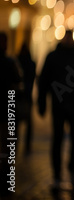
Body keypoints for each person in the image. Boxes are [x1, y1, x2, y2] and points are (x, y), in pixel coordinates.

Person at [38, 31, 74, 188]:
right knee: (58, 139)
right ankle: (57, 173)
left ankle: (71, 169)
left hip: (73, 104)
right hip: (59, 104)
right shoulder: (54, 57)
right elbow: (44, 80)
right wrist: (42, 102)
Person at [0, 32, 21, 197]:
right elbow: (18, 82)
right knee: (7, 148)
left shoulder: (10, 62)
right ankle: (7, 182)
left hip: (7, 110)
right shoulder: (9, 63)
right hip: (7, 110)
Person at [17, 43, 36, 154]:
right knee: (28, 122)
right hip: (26, 97)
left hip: (19, 97)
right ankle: (27, 146)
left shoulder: (17, 61)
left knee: (16, 123)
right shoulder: (31, 63)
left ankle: (17, 144)